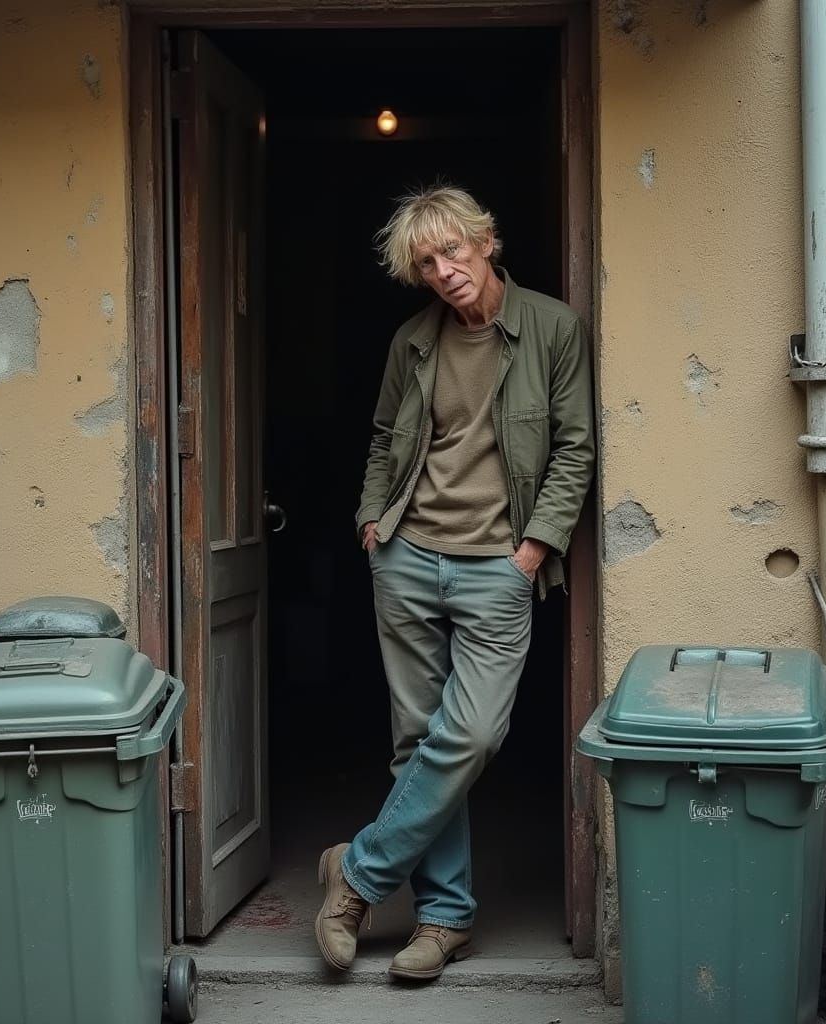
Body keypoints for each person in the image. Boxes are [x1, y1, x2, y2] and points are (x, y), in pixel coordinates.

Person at [315, 185, 595, 981]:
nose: (444, 271)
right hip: (406, 555)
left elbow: (574, 448)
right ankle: (444, 919)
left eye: (454, 252)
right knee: (417, 743)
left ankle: (356, 874)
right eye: (427, 263)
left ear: (487, 242)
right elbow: (383, 438)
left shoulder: (552, 329)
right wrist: (375, 521)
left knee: (469, 736)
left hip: (499, 565)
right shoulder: (413, 340)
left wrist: (534, 550)